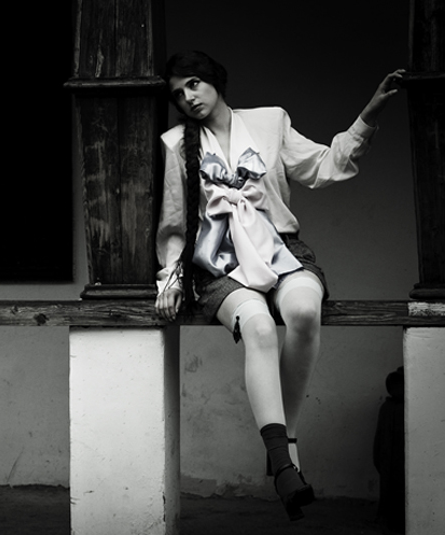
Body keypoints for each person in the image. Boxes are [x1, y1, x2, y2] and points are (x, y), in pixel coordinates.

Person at [154, 50, 403, 521]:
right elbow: (173, 226)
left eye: (193, 84)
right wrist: (171, 279)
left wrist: (369, 114)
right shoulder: (175, 144)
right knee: (260, 327)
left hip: (283, 252)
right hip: (221, 267)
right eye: (178, 94)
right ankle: (285, 466)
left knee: (305, 312)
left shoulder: (270, 123)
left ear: (214, 79)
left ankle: (283, 445)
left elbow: (323, 167)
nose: (188, 97)